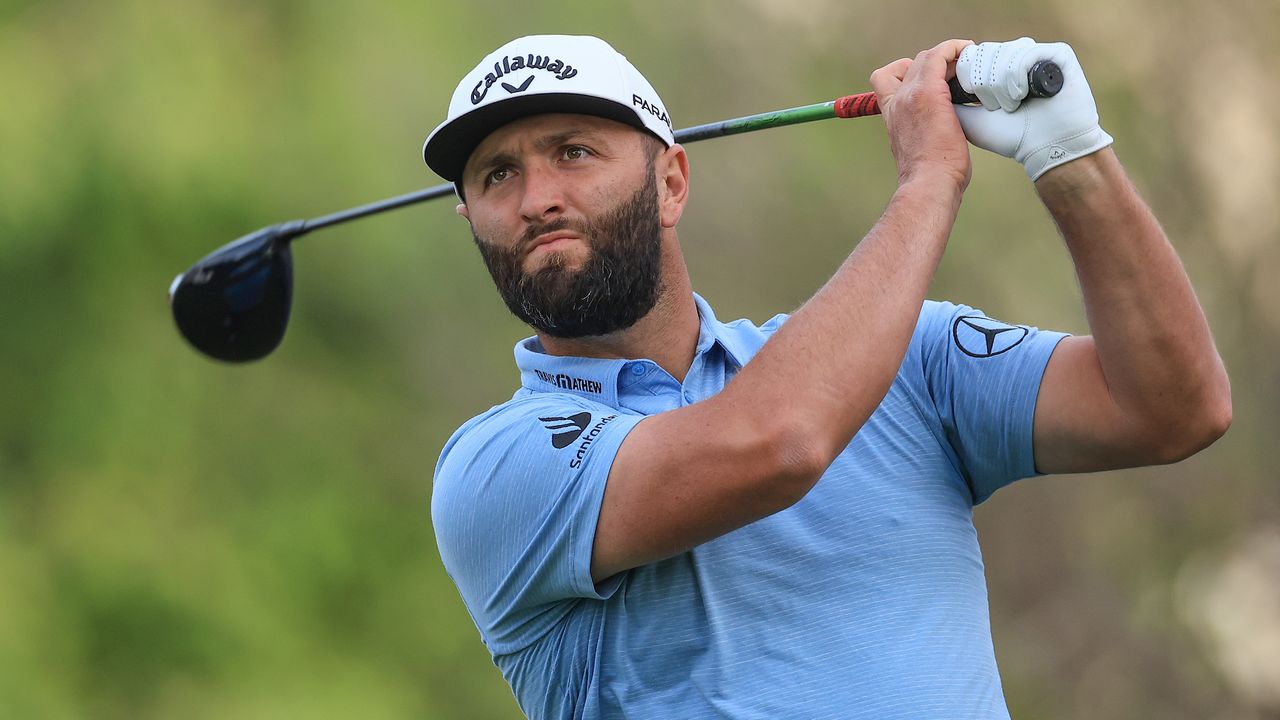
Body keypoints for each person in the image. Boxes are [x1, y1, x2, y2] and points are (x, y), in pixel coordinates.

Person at [424, 34, 1231, 719]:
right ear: (471, 221)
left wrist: (1070, 154)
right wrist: (927, 179)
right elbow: (777, 441)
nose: (536, 199)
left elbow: (1172, 408)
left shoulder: (913, 358)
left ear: (671, 182)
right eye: (497, 174)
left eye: (573, 152)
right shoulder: (495, 467)